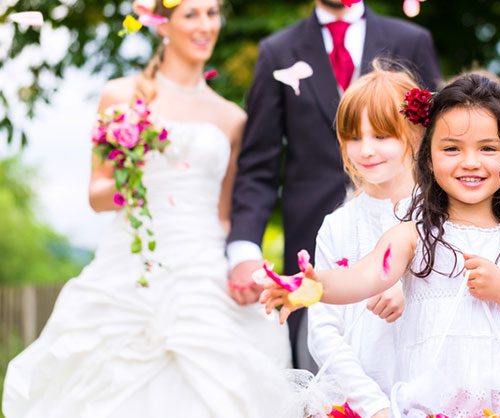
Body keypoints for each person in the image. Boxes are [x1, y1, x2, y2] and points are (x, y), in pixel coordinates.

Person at [2, 1, 291, 416]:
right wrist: (131, 181)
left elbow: (225, 214)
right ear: (161, 24)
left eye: (212, 14)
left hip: (202, 267)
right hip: (132, 262)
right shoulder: (121, 96)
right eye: (191, 14)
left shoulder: (232, 118)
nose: (205, 25)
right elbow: (96, 194)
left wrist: (242, 265)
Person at [262, 72, 500, 417]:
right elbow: (360, 277)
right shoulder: (413, 236)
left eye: (487, 148)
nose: (470, 162)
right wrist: (308, 286)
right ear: (427, 156)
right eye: (452, 148)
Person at [226, 0, 441, 371]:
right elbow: (258, 165)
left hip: (411, 242)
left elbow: (439, 144)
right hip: (314, 241)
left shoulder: (411, 40)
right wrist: (244, 249)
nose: (366, 149)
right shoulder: (277, 51)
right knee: (320, 359)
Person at [308, 61, 424, 418]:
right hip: (360, 398)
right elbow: (323, 329)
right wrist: (373, 406)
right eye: (354, 137)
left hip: (430, 390)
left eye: (381, 135)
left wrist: (410, 284)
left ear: (414, 133)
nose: (366, 150)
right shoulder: (337, 226)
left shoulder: (440, 215)